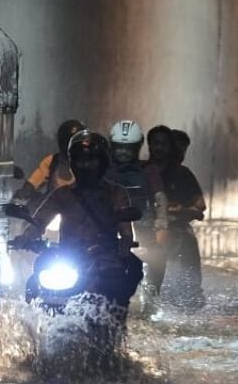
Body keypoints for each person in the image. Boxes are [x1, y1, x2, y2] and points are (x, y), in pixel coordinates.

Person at [15, 130, 143, 306]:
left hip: (105, 261)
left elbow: (125, 227)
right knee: (34, 281)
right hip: (69, 258)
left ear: (103, 162)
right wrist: (24, 238)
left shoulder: (115, 193)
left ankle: (116, 320)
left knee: (130, 273)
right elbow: (39, 221)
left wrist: (125, 242)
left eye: (91, 160)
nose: (86, 165)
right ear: (73, 163)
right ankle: (35, 325)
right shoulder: (61, 195)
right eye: (81, 160)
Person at [140, 125, 206, 307]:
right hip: (141, 227)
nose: (159, 148)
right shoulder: (139, 170)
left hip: (174, 228)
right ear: (148, 145)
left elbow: (200, 204)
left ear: (170, 148)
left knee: (187, 239)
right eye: (155, 143)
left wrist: (182, 210)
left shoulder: (181, 173)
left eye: (163, 144)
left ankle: (192, 291)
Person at [105, 119, 167, 252]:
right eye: (119, 147)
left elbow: (159, 195)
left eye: (129, 148)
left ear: (137, 147)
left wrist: (161, 218)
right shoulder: (102, 169)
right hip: (109, 225)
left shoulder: (148, 170)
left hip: (143, 224)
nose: (124, 152)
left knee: (158, 258)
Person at [12, 119, 86, 204]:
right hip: (54, 209)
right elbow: (35, 180)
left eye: (84, 141)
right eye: (77, 141)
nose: (82, 145)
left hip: (82, 210)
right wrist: (26, 190)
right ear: (65, 141)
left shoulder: (90, 163)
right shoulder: (52, 161)